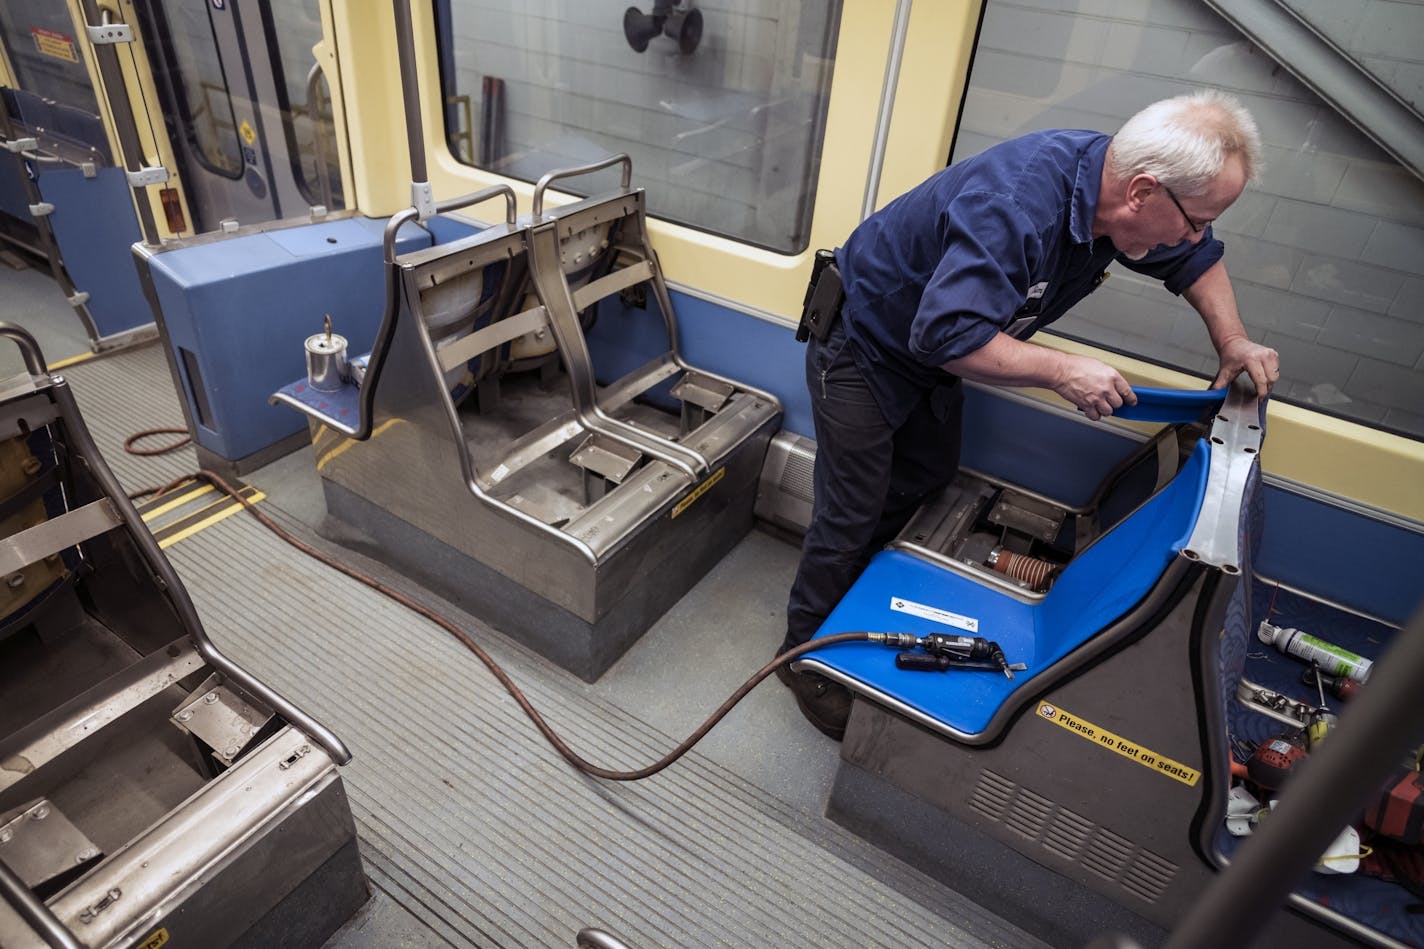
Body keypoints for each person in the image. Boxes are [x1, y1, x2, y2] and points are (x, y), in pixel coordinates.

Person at [776, 89, 1280, 740]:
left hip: (925, 355)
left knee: (927, 474)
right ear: (1143, 193)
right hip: (863, 344)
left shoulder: (1118, 194)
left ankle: (861, 593)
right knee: (852, 508)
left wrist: (1232, 340)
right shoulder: (1016, 206)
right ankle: (803, 655)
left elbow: (1196, 262)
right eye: (1194, 220)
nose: (1196, 236)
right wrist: (1064, 370)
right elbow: (946, 334)